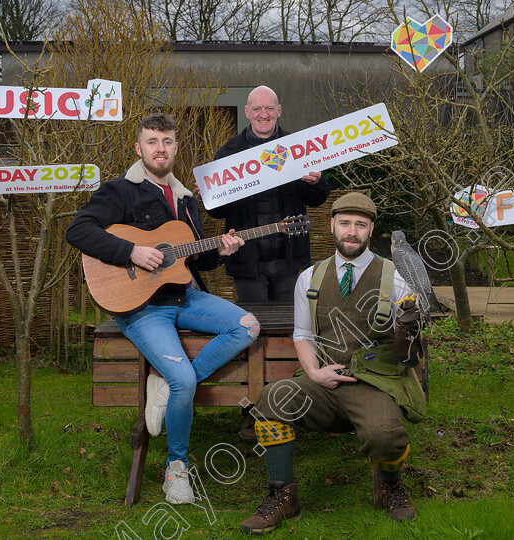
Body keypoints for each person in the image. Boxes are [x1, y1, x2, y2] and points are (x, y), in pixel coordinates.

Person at [66, 113, 260, 505]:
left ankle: (167, 386)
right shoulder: (120, 190)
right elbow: (78, 230)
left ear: (176, 147)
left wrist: (220, 251)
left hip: (185, 296)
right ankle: (176, 470)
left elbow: (195, 261)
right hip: (141, 307)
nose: (160, 149)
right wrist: (131, 250)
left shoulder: (187, 200)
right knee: (185, 382)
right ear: (139, 148)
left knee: (248, 325)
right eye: (152, 141)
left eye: (167, 142)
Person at [239, 192, 427, 534]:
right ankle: (283, 496)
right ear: (332, 226)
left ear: (371, 229)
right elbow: (302, 334)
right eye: (345, 223)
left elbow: (408, 351)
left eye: (360, 224)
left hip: (374, 382)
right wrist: (313, 372)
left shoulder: (394, 278)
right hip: (321, 382)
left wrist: (410, 327)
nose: (351, 231)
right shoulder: (309, 278)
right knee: (271, 398)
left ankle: (389, 484)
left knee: (386, 435)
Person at [208, 85, 330, 440]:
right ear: (247, 112)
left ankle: (289, 406)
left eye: (270, 109)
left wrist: (317, 179)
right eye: (257, 109)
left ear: (279, 110)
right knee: (251, 335)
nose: (263, 114)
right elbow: (214, 209)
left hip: (290, 260)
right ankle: (252, 411)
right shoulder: (229, 153)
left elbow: (319, 198)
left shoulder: (298, 147)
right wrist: (210, 193)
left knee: (294, 335)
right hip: (248, 265)